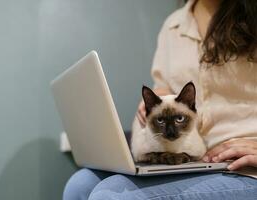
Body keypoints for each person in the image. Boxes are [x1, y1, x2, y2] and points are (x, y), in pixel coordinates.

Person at [63, 0, 257, 199]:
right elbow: (163, 86)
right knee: (79, 185)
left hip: (245, 168)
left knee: (111, 195)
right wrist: (157, 99)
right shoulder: (173, 25)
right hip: (194, 159)